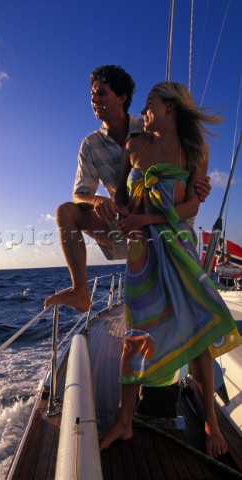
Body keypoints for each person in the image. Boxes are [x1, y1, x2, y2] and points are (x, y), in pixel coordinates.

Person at [99, 81, 241, 458]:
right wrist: (121, 215)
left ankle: (210, 419)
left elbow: (193, 207)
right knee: (138, 331)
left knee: (196, 326)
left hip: (176, 247)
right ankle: (124, 419)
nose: (144, 112)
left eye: (150, 104)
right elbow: (121, 198)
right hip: (140, 253)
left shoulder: (195, 151)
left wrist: (146, 218)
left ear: (172, 107)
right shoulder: (134, 145)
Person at [44, 65, 211, 312]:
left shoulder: (149, 126)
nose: (93, 99)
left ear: (122, 97)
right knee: (65, 212)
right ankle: (80, 291)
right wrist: (97, 201)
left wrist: (199, 185)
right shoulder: (89, 145)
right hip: (125, 224)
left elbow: (183, 156)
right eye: (92, 94)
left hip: (165, 225)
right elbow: (79, 194)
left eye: (101, 93)